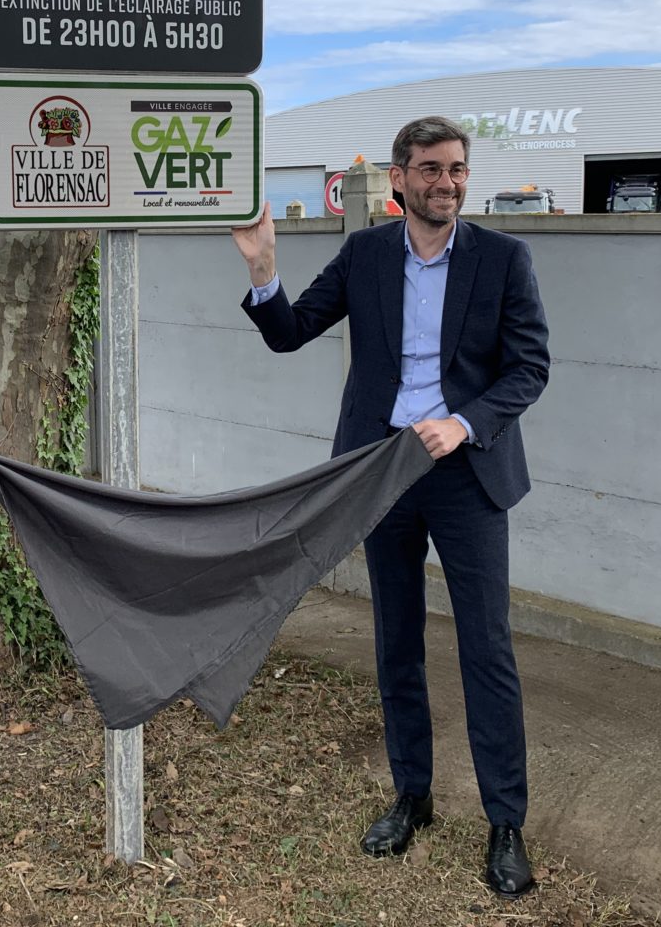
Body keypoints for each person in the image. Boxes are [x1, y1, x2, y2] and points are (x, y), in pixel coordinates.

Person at [231, 116, 550, 898]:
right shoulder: (366, 254)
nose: (448, 182)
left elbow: (530, 366)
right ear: (399, 180)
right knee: (395, 638)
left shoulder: (504, 259)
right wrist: (264, 270)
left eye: (458, 169)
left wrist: (464, 420)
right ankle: (412, 795)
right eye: (432, 169)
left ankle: (505, 821)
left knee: (486, 647)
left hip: (466, 470)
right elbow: (291, 332)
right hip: (382, 470)